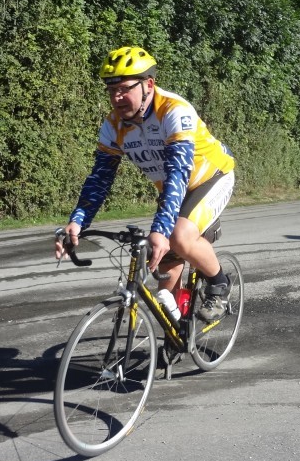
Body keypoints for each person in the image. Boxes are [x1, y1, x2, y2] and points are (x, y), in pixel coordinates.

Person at [54, 46, 236, 322]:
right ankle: (175, 336)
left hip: (211, 177)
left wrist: (161, 230)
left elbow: (178, 173)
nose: (116, 97)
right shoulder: (113, 124)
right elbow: (100, 178)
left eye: (124, 88)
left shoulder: (174, 110)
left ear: (148, 84)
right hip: (171, 192)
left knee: (177, 236)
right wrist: (78, 222)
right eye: (111, 90)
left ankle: (219, 285)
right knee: (164, 275)